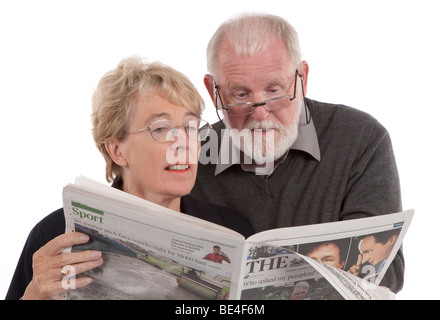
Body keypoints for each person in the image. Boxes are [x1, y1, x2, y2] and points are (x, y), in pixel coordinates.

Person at [6, 56, 254, 300]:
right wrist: (34, 294)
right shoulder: (54, 234)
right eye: (161, 129)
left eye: (191, 127)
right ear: (117, 150)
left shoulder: (234, 230)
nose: (184, 143)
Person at [190, 12, 404, 293]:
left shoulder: (360, 139)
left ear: (301, 78)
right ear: (213, 90)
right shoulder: (191, 153)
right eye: (241, 94)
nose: (261, 113)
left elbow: (386, 272)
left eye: (274, 89)